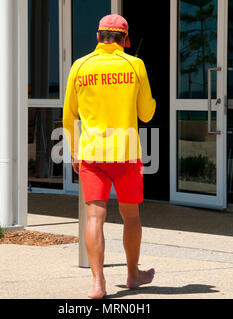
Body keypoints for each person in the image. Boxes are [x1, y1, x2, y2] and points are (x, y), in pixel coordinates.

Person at [63, 14, 156, 299]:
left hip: (92, 153)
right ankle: (132, 274)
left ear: (98, 37)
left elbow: (69, 116)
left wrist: (75, 152)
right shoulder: (135, 65)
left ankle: (98, 283)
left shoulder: (80, 66)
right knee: (131, 217)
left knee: (94, 218)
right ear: (125, 40)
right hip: (127, 154)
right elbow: (146, 113)